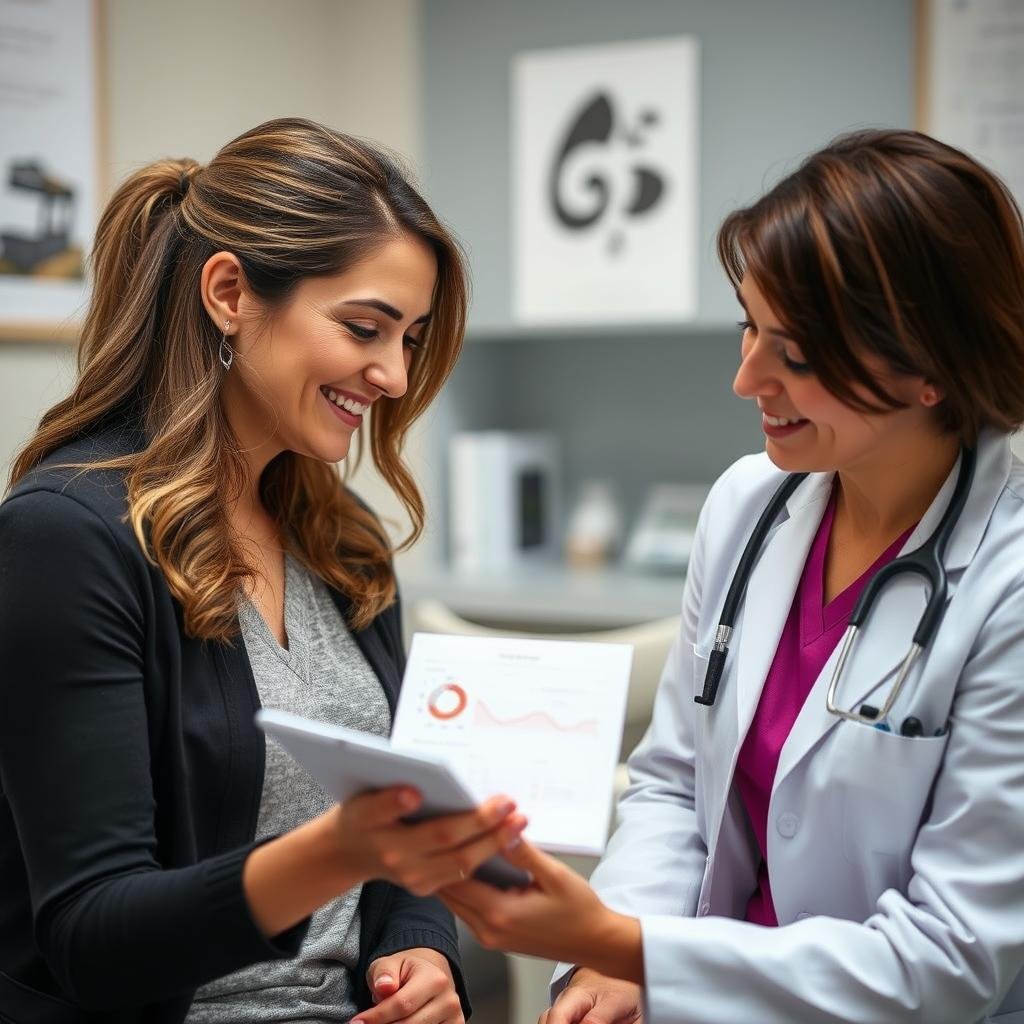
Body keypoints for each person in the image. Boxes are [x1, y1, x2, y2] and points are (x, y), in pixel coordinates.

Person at [439, 129, 1024, 1023]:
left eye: (795, 354)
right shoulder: (751, 504)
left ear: (930, 370)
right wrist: (609, 971)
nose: (747, 378)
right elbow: (674, 780)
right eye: (751, 327)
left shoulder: (1008, 581)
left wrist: (626, 945)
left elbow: (949, 960)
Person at [0, 117, 527, 1024]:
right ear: (230, 292)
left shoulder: (343, 543)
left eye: (411, 337)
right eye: (366, 326)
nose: (395, 375)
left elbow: (402, 847)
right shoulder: (66, 542)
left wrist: (419, 950)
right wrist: (342, 849)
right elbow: (92, 940)